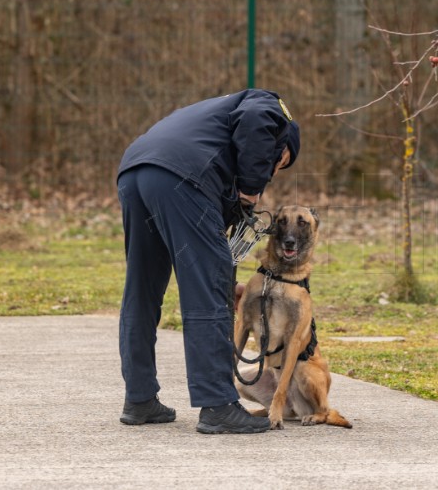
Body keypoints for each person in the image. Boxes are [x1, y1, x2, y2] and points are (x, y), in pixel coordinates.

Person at [115, 89, 300, 434]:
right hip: (180, 175)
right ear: (284, 141)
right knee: (205, 291)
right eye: (281, 160)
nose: (275, 169)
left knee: (141, 289)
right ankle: (217, 404)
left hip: (135, 171)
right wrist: (251, 185)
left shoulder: (213, 124)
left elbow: (212, 249)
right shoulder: (270, 108)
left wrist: (226, 283)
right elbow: (258, 120)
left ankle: (139, 400)